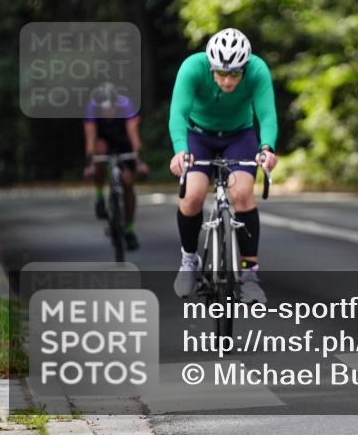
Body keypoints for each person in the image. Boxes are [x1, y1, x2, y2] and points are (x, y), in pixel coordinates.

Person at [167, 28, 279, 304]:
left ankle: (250, 275)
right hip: (197, 135)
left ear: (245, 68)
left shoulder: (257, 70)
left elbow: (266, 114)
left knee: (242, 194)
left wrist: (267, 148)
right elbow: (177, 114)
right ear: (210, 66)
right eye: (220, 73)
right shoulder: (192, 68)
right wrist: (180, 151)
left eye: (234, 74)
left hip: (239, 136)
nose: (227, 81)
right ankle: (189, 260)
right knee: (192, 195)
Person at [83, 82, 149, 250]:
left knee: (127, 183)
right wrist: (91, 162)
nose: (108, 113)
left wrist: (139, 162)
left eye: (111, 109)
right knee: (99, 151)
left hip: (122, 143)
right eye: (104, 110)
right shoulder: (92, 108)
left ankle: (129, 229)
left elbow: (134, 136)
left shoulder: (125, 106)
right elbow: (90, 137)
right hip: (103, 142)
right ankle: (99, 198)